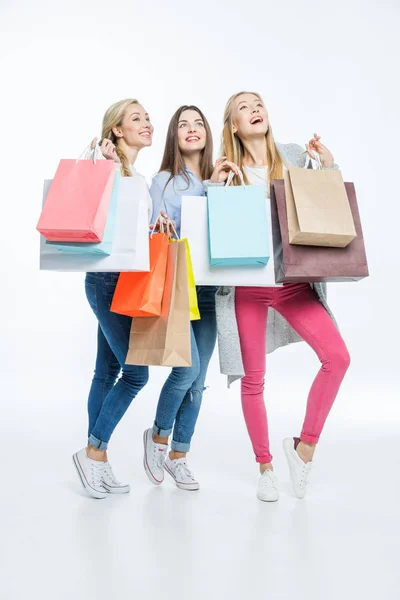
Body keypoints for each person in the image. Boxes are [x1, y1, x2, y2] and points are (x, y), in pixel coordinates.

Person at [209, 91, 350, 502]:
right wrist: (214, 187)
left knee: (337, 357)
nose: (255, 110)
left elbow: (325, 202)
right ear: (233, 125)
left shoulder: (290, 155)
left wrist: (326, 164)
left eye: (259, 105)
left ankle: (302, 450)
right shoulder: (228, 169)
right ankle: (265, 467)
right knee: (253, 381)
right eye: (244, 108)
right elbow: (207, 227)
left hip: (292, 285)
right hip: (247, 289)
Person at [73, 98, 154, 499]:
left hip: (127, 283)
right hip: (106, 281)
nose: (147, 123)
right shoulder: (106, 164)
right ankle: (93, 452)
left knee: (106, 373)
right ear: (117, 130)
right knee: (136, 373)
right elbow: (82, 190)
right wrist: (97, 157)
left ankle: (97, 462)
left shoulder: (138, 176)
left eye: (148, 117)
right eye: (136, 118)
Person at [142, 105, 217, 491]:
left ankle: (179, 456)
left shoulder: (221, 174)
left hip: (212, 290)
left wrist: (220, 185)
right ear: (174, 135)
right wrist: (159, 225)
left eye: (198, 123)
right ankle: (157, 439)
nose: (191, 129)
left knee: (199, 380)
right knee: (185, 370)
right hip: (177, 287)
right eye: (183, 124)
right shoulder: (164, 180)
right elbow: (154, 233)